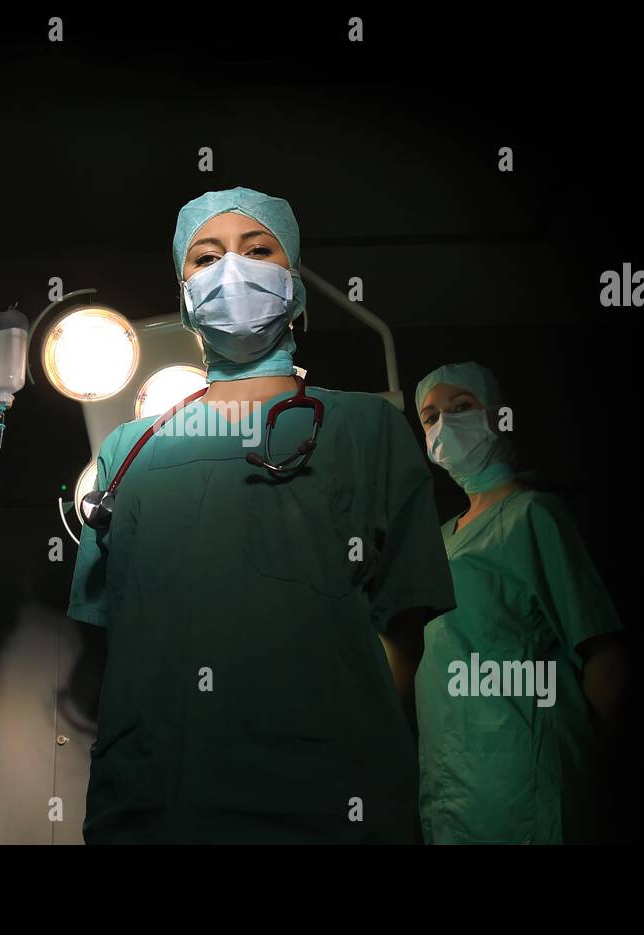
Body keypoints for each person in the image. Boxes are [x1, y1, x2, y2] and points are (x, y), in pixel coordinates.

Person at [68, 187, 456, 843]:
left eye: (258, 250)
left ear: (295, 284)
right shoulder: (126, 453)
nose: (233, 271)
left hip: (324, 803)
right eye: (207, 257)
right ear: (184, 290)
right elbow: (122, 642)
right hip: (151, 801)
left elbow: (403, 633)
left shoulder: (368, 430)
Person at [413, 361, 629, 843]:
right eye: (429, 417)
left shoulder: (534, 515)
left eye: (462, 407)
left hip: (525, 781)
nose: (444, 423)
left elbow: (605, 657)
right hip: (452, 783)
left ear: (499, 416)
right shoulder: (443, 540)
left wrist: (602, 772)